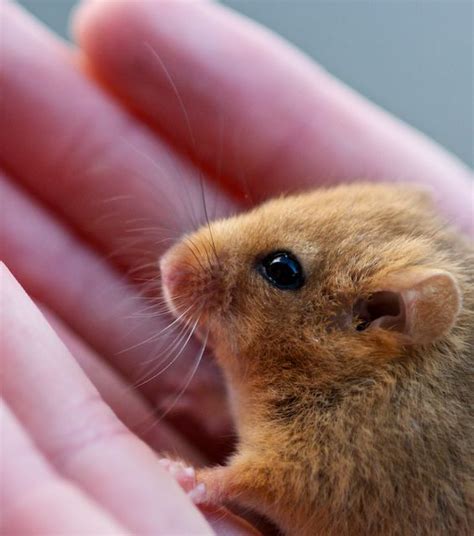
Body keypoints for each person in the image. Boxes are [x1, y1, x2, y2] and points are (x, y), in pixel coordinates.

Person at [1, 1, 472, 534]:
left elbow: (324, 485)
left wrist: (219, 484)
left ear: (378, 317)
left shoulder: (388, 416)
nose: (178, 265)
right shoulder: (321, 378)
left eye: (280, 269)